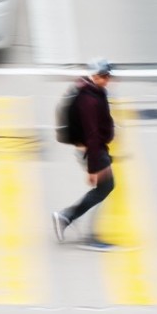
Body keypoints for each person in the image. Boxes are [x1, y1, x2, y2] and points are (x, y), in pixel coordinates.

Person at [52, 58, 117, 251]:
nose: (107, 80)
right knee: (103, 189)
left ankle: (67, 217)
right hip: (92, 152)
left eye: (108, 76)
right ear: (95, 76)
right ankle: (86, 234)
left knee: (105, 188)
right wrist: (93, 168)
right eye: (104, 77)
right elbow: (92, 135)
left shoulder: (93, 90)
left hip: (96, 150)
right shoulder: (88, 100)